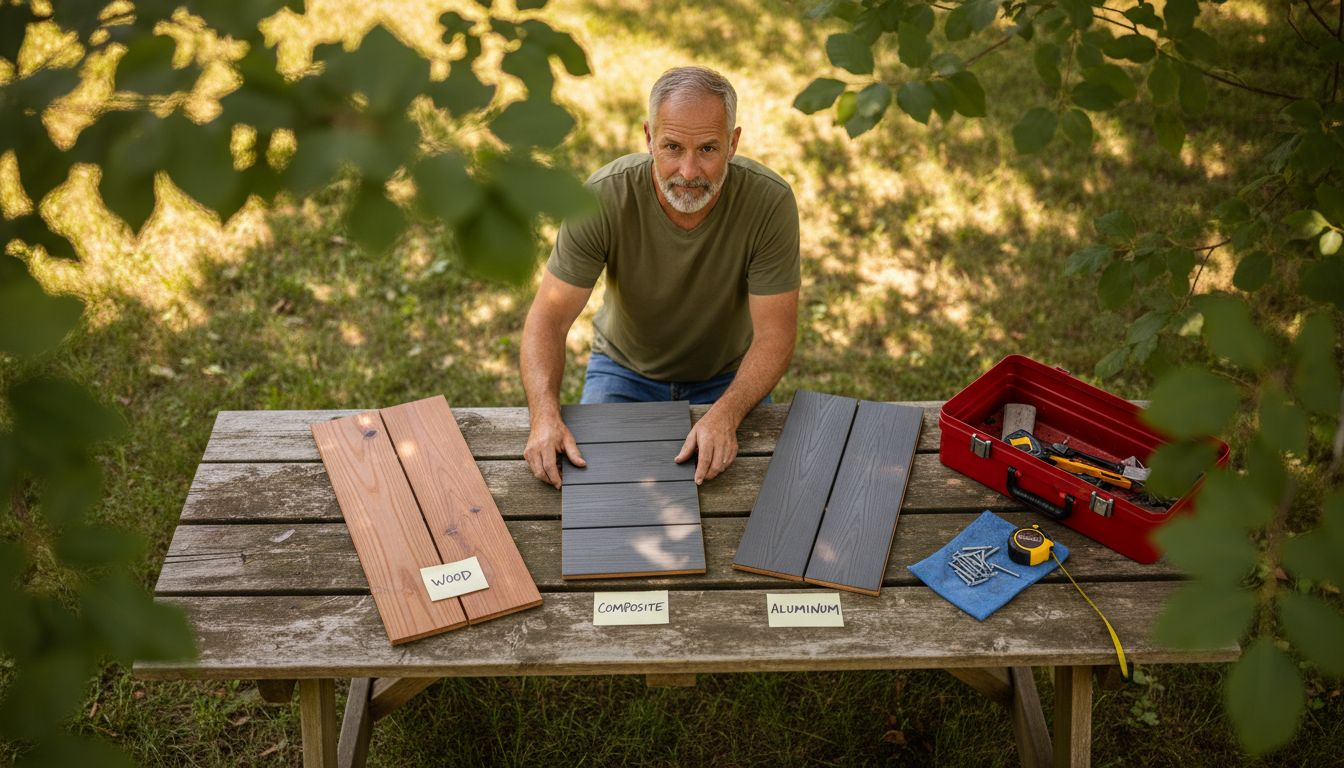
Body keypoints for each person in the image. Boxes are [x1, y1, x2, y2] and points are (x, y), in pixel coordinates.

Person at [520, 66, 801, 490]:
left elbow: (775, 336)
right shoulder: (602, 197)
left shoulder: (770, 202)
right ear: (649, 138)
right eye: (672, 147)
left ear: (733, 143)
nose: (688, 172)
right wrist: (544, 417)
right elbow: (549, 318)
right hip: (623, 370)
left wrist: (724, 415)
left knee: (758, 496)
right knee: (595, 492)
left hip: (729, 376)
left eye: (708, 148)